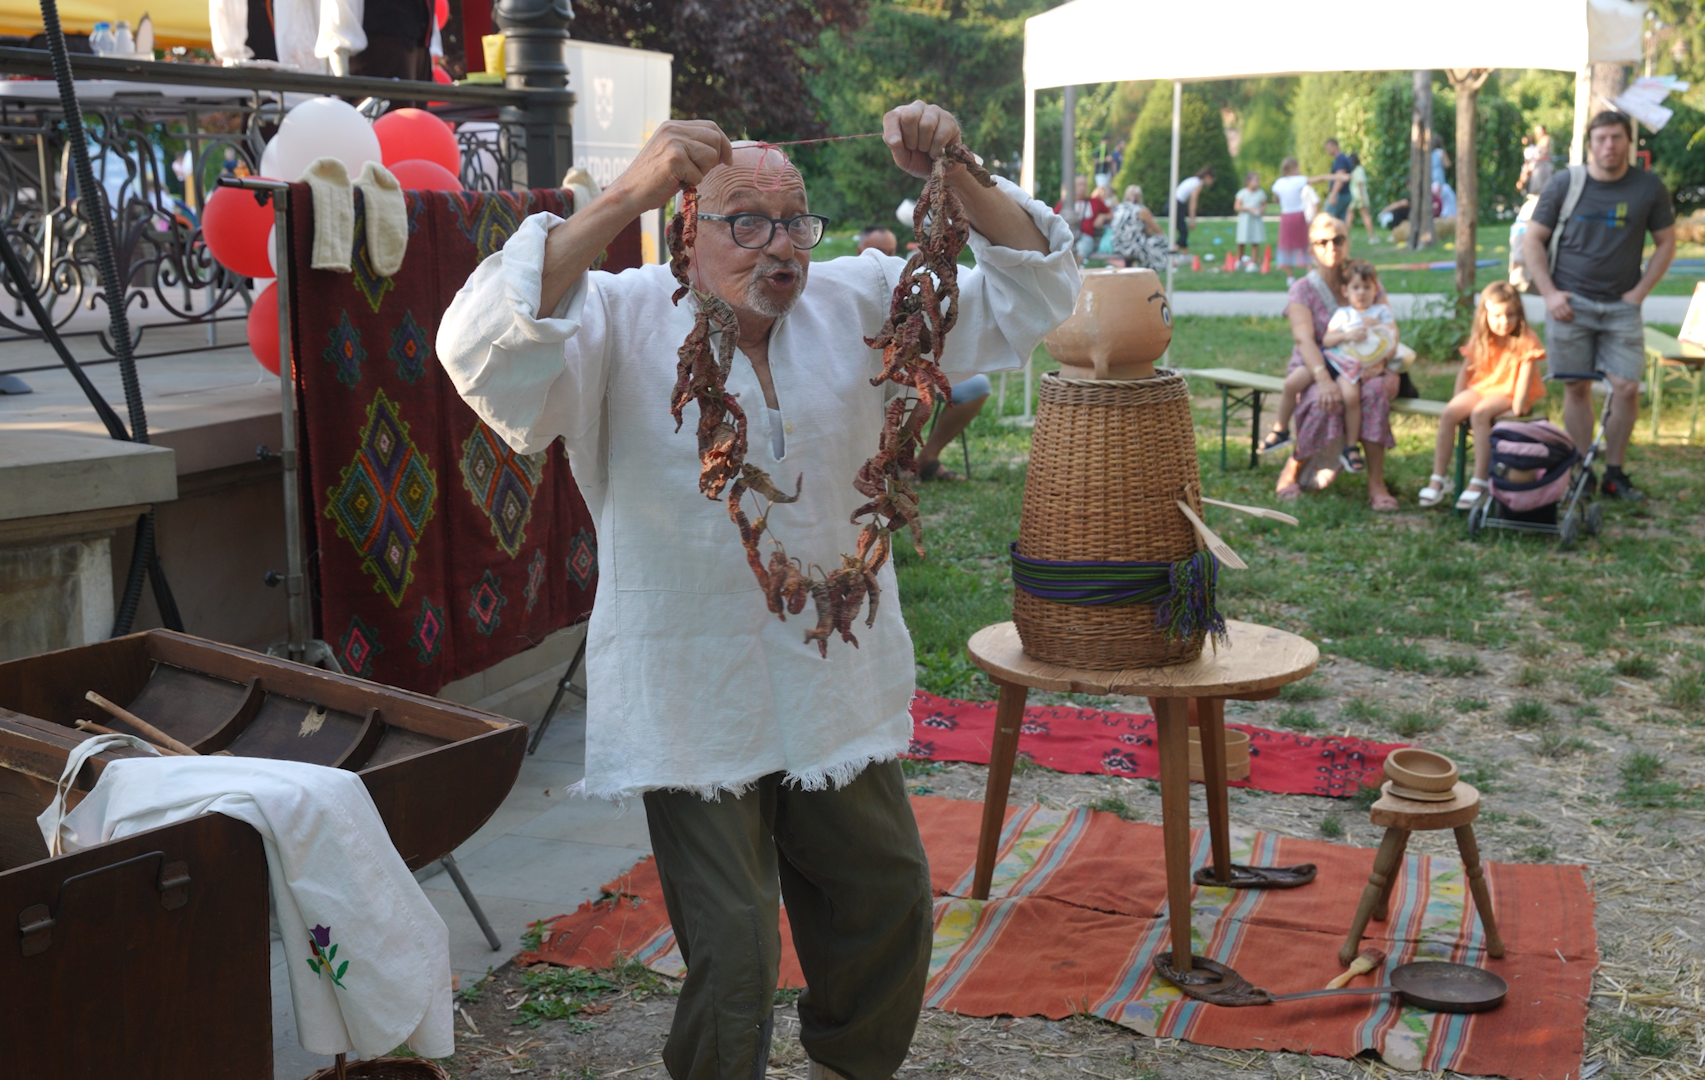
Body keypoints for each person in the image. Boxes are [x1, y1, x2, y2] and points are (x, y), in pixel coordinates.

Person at [437, 101, 1077, 1080]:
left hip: (833, 676)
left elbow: (1034, 295)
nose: (779, 246)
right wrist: (622, 196)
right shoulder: (617, 320)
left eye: (794, 221)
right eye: (745, 221)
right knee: (735, 953)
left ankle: (846, 1068)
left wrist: (960, 170)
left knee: (890, 897)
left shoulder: (860, 302)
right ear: (688, 230)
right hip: (693, 695)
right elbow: (478, 348)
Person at [1520, 109, 1676, 502]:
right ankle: (1580, 470)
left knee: (1625, 387)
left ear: (1629, 142)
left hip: (1622, 306)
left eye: (1616, 138)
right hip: (1569, 305)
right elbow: (1532, 240)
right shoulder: (1564, 184)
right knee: (1576, 387)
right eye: (1601, 138)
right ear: (1589, 144)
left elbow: (1667, 243)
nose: (1609, 145)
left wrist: (1639, 293)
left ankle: (1615, 474)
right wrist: (1550, 293)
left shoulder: (1648, 187)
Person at [1270, 214, 1401, 511]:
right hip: (1316, 366)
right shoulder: (1302, 289)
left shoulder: (1362, 276)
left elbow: (1389, 327)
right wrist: (1323, 378)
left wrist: (1380, 363)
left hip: (1367, 365)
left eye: (1338, 240)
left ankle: (1376, 483)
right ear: (1311, 248)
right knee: (1322, 400)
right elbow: (1305, 340)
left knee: (1373, 393)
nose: (1331, 247)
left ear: (1347, 241)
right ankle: (1293, 466)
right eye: (1322, 241)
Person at [1418, 281, 1547, 509]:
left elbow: (1525, 380)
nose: (1504, 321)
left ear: (1519, 315)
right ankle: (1438, 478)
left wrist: (1517, 409)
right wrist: (1458, 401)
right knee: (1449, 413)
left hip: (1509, 391)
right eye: (1497, 315)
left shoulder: (1526, 339)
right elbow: (1466, 370)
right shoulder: (1481, 337)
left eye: (1511, 315)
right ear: (1485, 314)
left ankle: (1479, 481)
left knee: (1480, 413)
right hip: (1482, 387)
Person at [1318, 259, 1397, 473]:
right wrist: (1347, 335)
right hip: (1347, 366)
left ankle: (1363, 452)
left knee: (1370, 395)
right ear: (1345, 290)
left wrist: (1379, 327)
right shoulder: (1344, 314)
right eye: (1356, 287)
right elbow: (1327, 340)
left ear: (1375, 289)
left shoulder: (1381, 312)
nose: (1361, 292)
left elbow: (1392, 338)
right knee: (1351, 397)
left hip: (1373, 366)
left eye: (1367, 287)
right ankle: (1350, 446)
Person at [1272, 158, 1334, 270]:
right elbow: (1319, 179)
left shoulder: (1279, 183)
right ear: (1294, 168)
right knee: (1305, 243)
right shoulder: (1298, 180)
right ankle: (1309, 270)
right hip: (1298, 215)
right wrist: (1336, 177)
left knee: (1286, 246)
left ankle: (1289, 277)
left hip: (1286, 216)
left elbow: (1275, 199)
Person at [1110, 184, 1172, 271]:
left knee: (1146, 246)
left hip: (1118, 246)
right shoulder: (1141, 210)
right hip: (1133, 247)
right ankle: (1159, 268)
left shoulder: (1119, 208)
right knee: (1162, 240)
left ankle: (1140, 271)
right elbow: (1158, 230)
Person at [1053, 173, 1111, 261]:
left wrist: (1102, 217)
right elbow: (1053, 217)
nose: (1082, 187)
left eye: (1084, 184)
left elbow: (1111, 214)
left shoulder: (1095, 202)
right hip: (1067, 237)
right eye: (1079, 184)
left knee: (1082, 248)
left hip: (1085, 237)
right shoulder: (1064, 203)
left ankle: (1074, 269)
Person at [1172, 165, 1214, 252]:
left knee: (1182, 229)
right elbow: (1193, 203)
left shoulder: (1193, 180)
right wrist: (1192, 220)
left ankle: (1185, 254)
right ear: (1207, 177)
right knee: (1184, 232)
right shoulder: (1198, 184)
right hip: (1176, 204)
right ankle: (1173, 252)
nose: (1211, 183)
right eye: (1211, 180)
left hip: (1174, 203)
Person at [1233, 171, 1267, 266]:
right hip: (1245, 220)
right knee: (1241, 240)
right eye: (1255, 180)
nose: (1257, 183)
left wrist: (1260, 211)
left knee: (1255, 240)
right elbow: (1236, 207)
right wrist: (1248, 209)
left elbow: (1264, 206)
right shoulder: (1242, 193)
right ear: (1248, 181)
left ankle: (1254, 261)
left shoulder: (1260, 193)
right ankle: (1239, 260)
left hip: (1255, 220)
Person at [1324, 138, 1359, 223]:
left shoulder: (1340, 159)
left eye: (1328, 147)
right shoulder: (1344, 158)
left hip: (1340, 195)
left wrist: (1333, 195)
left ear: (1335, 146)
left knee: (1328, 220)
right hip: (1345, 194)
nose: (1327, 150)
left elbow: (1340, 178)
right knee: (1341, 222)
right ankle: (1343, 236)